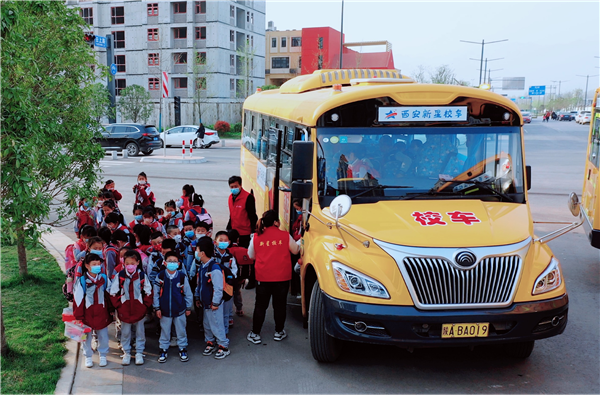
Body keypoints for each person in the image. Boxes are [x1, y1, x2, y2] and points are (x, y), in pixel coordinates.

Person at [246, 210, 300, 344]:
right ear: (276, 222)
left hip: (263, 278)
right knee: (280, 306)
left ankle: (255, 333)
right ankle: (279, 332)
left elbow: (251, 255)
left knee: (260, 306)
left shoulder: (256, 237)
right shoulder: (285, 236)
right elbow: (295, 250)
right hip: (282, 278)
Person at [109, 250, 153, 366]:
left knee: (140, 332)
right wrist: (119, 306)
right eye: (127, 263)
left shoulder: (142, 276)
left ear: (138, 262)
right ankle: (126, 352)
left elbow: (148, 292)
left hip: (139, 311)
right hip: (124, 311)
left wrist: (144, 306)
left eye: (132, 263)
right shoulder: (120, 276)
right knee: (125, 332)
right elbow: (113, 293)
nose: (129, 265)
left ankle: (139, 352)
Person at [153, 251, 193, 363]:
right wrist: (157, 308)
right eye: (170, 261)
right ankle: (163, 349)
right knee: (165, 331)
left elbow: (188, 293)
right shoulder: (160, 276)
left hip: (180, 309)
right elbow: (156, 293)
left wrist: (188, 307)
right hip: (165, 310)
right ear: (165, 263)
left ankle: (182, 348)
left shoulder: (181, 277)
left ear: (179, 264)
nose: (172, 263)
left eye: (175, 261)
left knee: (181, 330)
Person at [73, 253, 112, 368]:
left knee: (103, 335)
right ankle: (88, 356)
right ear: (87, 266)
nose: (97, 266)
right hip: (87, 314)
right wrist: (79, 317)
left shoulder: (104, 279)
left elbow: (109, 295)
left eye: (98, 264)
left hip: (101, 312)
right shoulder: (82, 281)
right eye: (94, 264)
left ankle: (103, 354)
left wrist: (111, 311)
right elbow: (78, 299)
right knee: (86, 336)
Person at [194, 237, 230, 360]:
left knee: (217, 325)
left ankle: (223, 346)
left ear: (202, 253)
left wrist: (215, 302)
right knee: (207, 325)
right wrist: (198, 296)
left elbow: (218, 288)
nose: (196, 253)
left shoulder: (214, 268)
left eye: (197, 250)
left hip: (214, 305)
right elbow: (200, 284)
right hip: (205, 303)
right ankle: (210, 342)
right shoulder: (203, 266)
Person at [213, 231, 238, 332]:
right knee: (216, 307)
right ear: (215, 242)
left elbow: (234, 270)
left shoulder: (231, 257)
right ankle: (216, 329)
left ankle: (225, 330)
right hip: (215, 286)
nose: (223, 242)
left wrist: (230, 280)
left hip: (227, 285)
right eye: (220, 240)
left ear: (229, 242)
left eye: (225, 241)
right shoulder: (212, 255)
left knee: (227, 308)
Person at [226, 176, 258, 248]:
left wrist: (253, 231)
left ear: (240, 185)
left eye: (236, 186)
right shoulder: (230, 198)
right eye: (231, 187)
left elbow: (252, 216)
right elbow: (232, 214)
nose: (234, 188)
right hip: (234, 231)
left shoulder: (248, 197)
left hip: (245, 233)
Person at [228, 229, 254, 317]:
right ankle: (239, 309)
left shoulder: (227, 251)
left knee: (227, 295)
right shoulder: (243, 250)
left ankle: (229, 313)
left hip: (227, 278)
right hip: (239, 278)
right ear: (238, 239)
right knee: (237, 292)